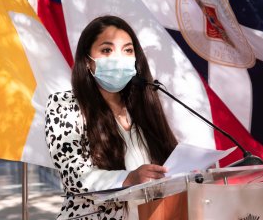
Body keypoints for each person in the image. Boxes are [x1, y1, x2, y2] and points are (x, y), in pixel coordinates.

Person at [45, 15, 177, 220]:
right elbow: (74, 176)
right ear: (88, 61)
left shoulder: (143, 105)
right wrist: (129, 178)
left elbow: (164, 167)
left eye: (128, 50)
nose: (119, 58)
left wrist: (184, 174)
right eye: (107, 50)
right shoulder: (64, 104)